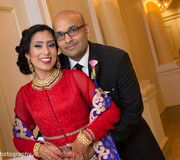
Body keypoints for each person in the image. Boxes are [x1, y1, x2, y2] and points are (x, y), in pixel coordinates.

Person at [51, 10, 165, 160]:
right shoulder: (56, 69)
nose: (67, 39)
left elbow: (132, 112)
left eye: (73, 30)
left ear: (87, 29)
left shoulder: (116, 59)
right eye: (60, 35)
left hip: (129, 147)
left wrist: (97, 146)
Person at [13, 24, 121, 160]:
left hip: (91, 155)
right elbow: (19, 139)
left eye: (51, 45)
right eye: (38, 46)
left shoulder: (75, 77)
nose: (46, 52)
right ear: (27, 54)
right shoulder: (24, 94)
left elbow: (111, 111)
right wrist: (39, 148)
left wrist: (85, 138)